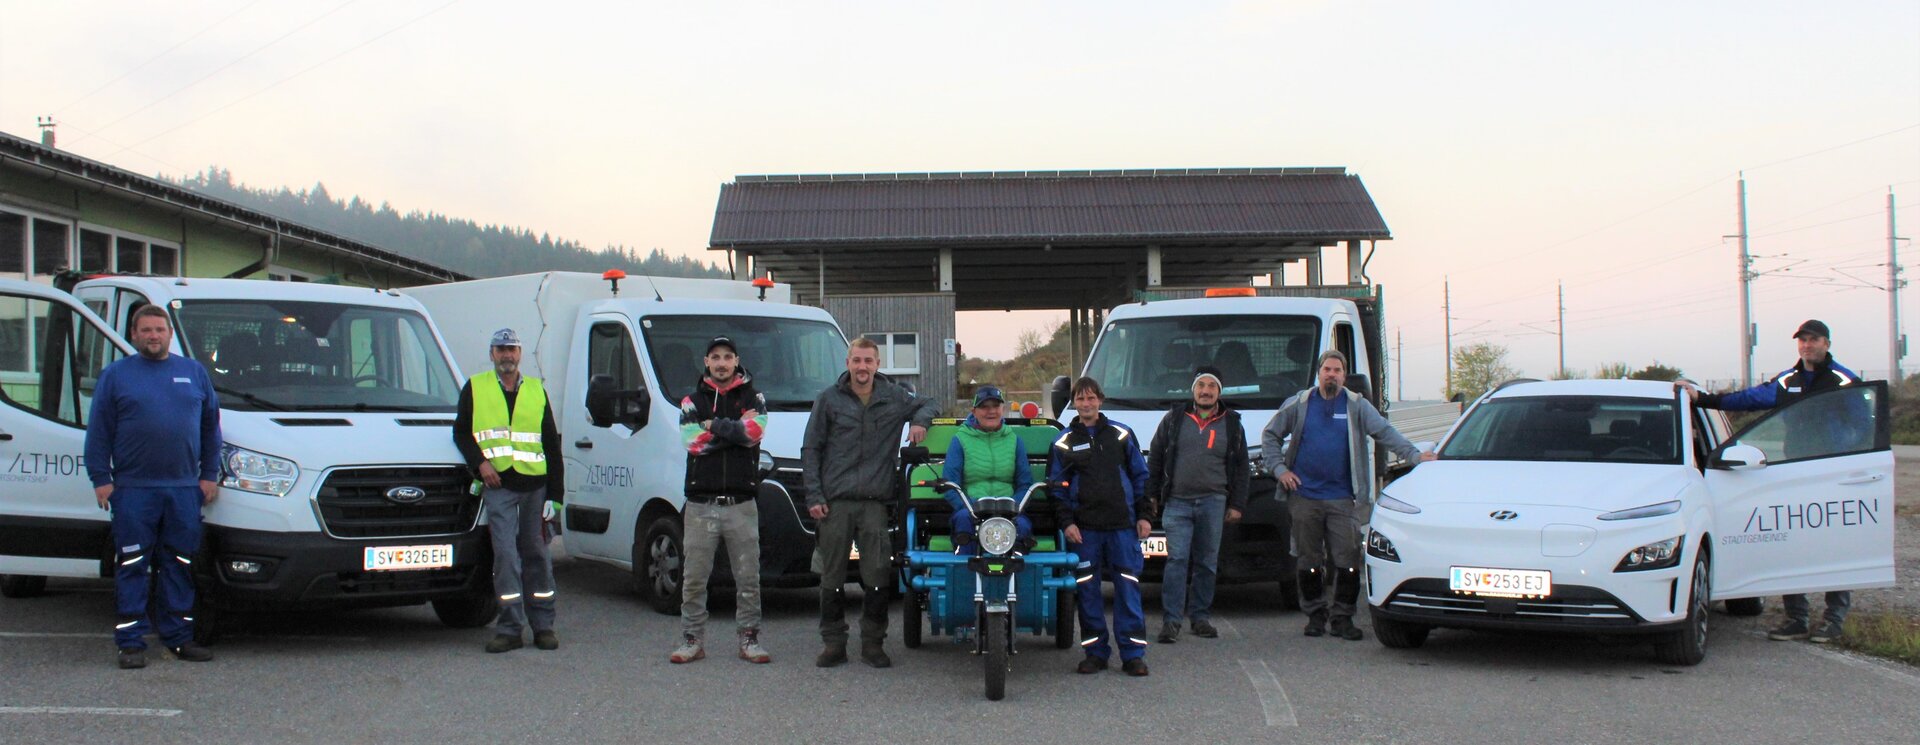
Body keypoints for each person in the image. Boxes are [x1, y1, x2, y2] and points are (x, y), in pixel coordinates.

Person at [1683, 319, 1861, 644]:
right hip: (1794, 474)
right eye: (1802, 340)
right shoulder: (1789, 380)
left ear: (1827, 343)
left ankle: (1834, 620)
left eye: (1814, 339)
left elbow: (1863, 425)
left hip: (1831, 474)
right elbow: (1749, 398)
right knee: (1793, 547)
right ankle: (1797, 619)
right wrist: (1703, 399)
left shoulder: (1844, 380)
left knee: (1835, 547)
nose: (1807, 345)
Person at [1263, 350, 1434, 641]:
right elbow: (1270, 435)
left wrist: (1414, 456)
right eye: (1327, 369)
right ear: (1318, 373)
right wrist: (1280, 470)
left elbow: (1385, 432)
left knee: (1348, 559)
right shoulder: (1299, 404)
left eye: (1337, 370)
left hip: (1343, 498)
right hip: (1304, 497)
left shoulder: (1356, 405)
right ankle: (1315, 616)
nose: (1332, 374)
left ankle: (1342, 618)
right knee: (1308, 559)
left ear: (1344, 376)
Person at [85, 304, 221, 669]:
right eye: (146, 330)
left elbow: (211, 427)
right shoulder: (116, 376)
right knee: (132, 564)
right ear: (134, 334)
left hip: (183, 489)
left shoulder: (193, 373)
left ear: (170, 334)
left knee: (179, 563)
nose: (153, 336)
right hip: (133, 490)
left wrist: (209, 474)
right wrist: (101, 479)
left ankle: (178, 637)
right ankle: (130, 643)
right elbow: (99, 431)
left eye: (159, 329)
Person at [802, 338, 940, 669]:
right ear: (847, 363)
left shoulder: (893, 397)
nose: (862, 367)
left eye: (868, 361)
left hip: (875, 504)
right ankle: (833, 643)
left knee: (877, 576)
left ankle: (873, 644)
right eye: (857, 360)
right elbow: (811, 449)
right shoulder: (829, 399)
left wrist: (919, 421)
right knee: (831, 577)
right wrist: (814, 495)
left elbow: (931, 402)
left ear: (878, 364)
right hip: (835, 503)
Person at [453, 328, 564, 654]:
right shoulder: (476, 387)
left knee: (537, 554)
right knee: (505, 556)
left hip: (534, 487)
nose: (507, 355)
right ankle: (510, 628)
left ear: (520, 354)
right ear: (492, 354)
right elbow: (461, 433)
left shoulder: (536, 390)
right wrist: (480, 464)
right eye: (501, 349)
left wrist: (556, 496)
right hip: (498, 485)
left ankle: (543, 626)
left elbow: (551, 445)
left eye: (512, 349)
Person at [670, 337, 772, 665]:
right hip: (701, 503)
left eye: (728, 357)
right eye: (715, 357)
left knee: (748, 577)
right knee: (694, 578)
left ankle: (749, 639)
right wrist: (735, 431)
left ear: (737, 361)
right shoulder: (691, 401)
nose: (722, 363)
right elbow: (694, 443)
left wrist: (714, 425)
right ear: (706, 362)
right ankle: (692, 640)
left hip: (741, 502)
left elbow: (753, 434)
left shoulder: (754, 398)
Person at [1049, 377, 1153, 677]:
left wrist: (1145, 516)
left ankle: (1133, 655)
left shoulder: (1122, 435)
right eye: (1081, 399)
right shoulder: (1063, 442)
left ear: (1100, 400)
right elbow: (1056, 488)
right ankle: (1095, 653)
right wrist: (1067, 523)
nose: (1086, 404)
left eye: (1091, 398)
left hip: (1122, 527)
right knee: (1088, 593)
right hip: (1085, 531)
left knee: (1128, 590)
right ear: (1074, 403)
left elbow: (1140, 477)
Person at [1145, 366, 1250, 643]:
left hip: (1214, 502)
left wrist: (1237, 504)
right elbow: (1156, 456)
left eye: (1212, 386)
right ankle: (1171, 621)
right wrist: (1151, 494)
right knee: (1177, 560)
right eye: (1201, 385)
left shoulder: (1232, 424)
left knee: (1206, 563)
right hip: (1177, 502)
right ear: (1193, 390)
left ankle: (1200, 618)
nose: (1206, 391)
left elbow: (1241, 467)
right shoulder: (1174, 419)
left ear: (1219, 392)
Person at [942, 385, 1034, 551]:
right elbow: (950, 485)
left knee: (1022, 526)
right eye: (984, 407)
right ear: (974, 411)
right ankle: (965, 564)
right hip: (971, 509)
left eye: (995, 406)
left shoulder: (1014, 440)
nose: (991, 411)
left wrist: (1014, 506)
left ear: (1003, 409)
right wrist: (971, 507)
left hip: (1009, 509)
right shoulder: (960, 440)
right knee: (963, 521)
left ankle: (1018, 565)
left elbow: (1025, 483)